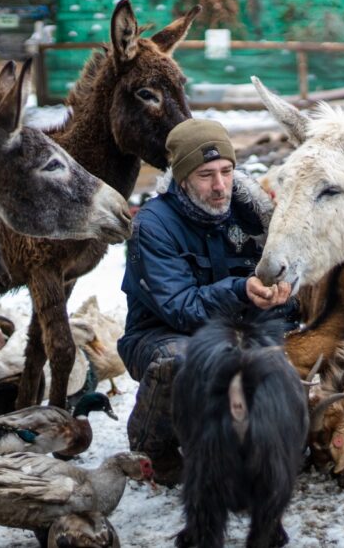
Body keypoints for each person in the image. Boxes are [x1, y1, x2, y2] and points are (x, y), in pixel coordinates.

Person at [117, 118, 299, 486]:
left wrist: (282, 296)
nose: (219, 186)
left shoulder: (256, 215)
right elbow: (180, 307)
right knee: (182, 360)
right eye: (205, 175)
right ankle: (153, 448)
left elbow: (287, 280)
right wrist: (241, 291)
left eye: (226, 171)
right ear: (182, 178)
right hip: (162, 335)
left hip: (238, 329)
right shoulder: (152, 226)